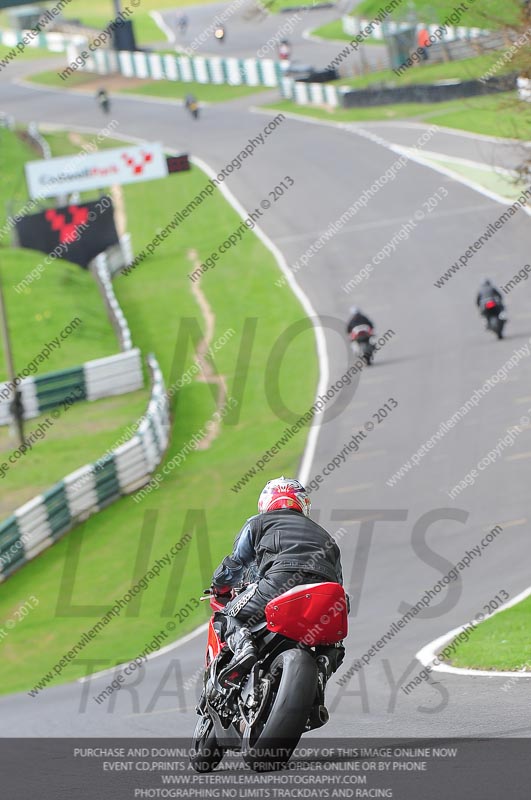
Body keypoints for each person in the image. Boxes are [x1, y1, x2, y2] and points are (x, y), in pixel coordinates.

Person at [211, 476, 345, 687]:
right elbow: (339, 583)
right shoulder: (325, 535)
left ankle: (244, 648)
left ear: (265, 502)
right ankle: (321, 672)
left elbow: (236, 563)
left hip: (278, 583)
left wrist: (219, 586)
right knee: (334, 640)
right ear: (302, 503)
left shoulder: (257, 523)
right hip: (324, 592)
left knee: (225, 616)